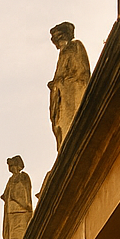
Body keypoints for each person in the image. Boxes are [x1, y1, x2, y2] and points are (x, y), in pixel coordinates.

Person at [48, 22, 91, 152]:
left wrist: (62, 82)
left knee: (75, 125)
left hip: (72, 94)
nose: (56, 42)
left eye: (58, 38)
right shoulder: (62, 54)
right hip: (62, 96)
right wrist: (55, 84)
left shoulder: (75, 46)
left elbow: (82, 73)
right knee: (62, 128)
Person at [1, 156, 32, 239]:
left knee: (20, 236)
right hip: (11, 213)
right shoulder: (11, 180)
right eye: (11, 167)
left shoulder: (23, 176)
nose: (12, 168)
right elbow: (6, 195)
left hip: (21, 211)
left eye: (13, 166)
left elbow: (25, 193)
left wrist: (25, 204)